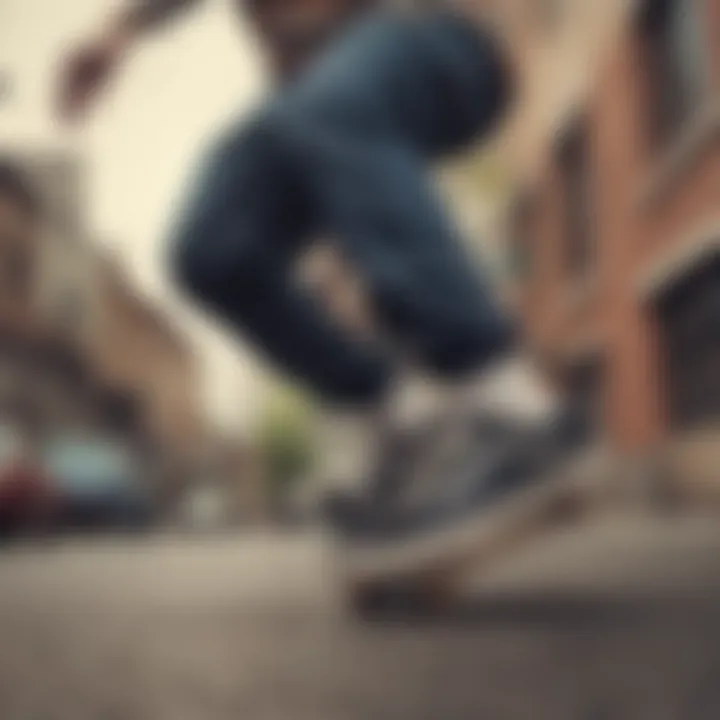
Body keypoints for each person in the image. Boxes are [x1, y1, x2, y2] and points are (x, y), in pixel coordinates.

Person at [57, 0, 577, 551]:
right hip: (319, 108)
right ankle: (403, 415)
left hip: (445, 40)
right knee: (211, 247)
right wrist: (119, 32)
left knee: (331, 100)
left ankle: (513, 407)